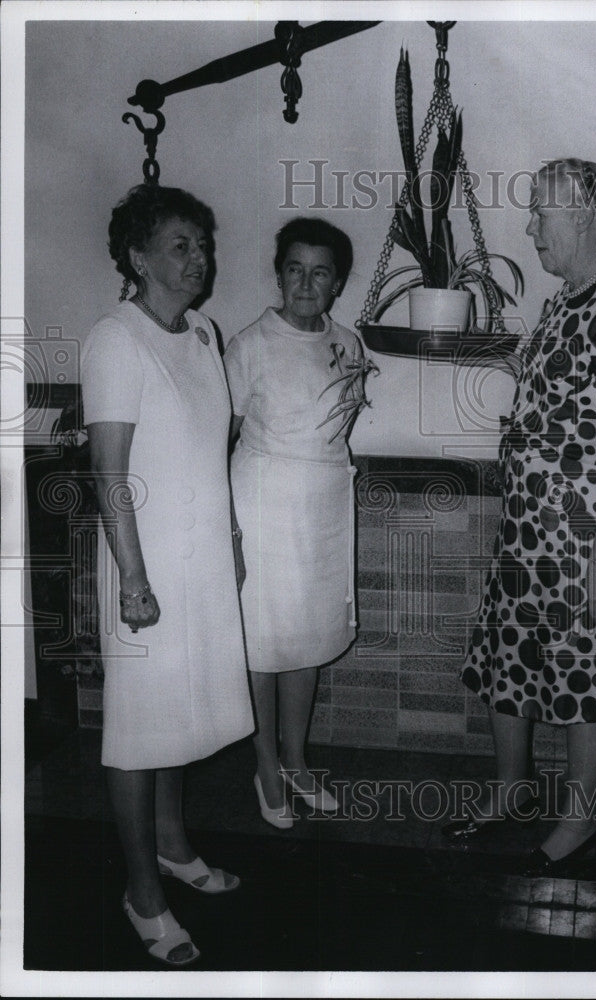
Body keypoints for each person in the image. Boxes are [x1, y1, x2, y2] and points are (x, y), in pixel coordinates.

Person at [444, 158, 596, 873]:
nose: (530, 225)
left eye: (542, 212)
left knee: (585, 673)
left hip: (585, 539)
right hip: (529, 530)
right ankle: (512, 790)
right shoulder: (567, 299)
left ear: (588, 217)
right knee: (515, 661)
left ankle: (582, 815)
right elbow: (557, 392)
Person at [81, 184, 254, 966]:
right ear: (136, 257)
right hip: (143, 563)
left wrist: (233, 534)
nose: (199, 259)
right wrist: (133, 578)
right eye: (180, 246)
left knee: (185, 714)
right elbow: (109, 474)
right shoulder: (115, 338)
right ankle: (141, 892)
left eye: (202, 245)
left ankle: (178, 848)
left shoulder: (203, 334)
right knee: (139, 731)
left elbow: (207, 453)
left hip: (203, 560)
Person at [225, 216, 373, 828]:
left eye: (321, 272)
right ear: (278, 273)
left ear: (337, 282)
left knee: (306, 639)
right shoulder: (247, 346)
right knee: (264, 640)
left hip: (323, 510)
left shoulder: (349, 342)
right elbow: (220, 440)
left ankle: (295, 760)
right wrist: (226, 529)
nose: (306, 282)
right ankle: (265, 765)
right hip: (261, 506)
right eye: (295, 269)